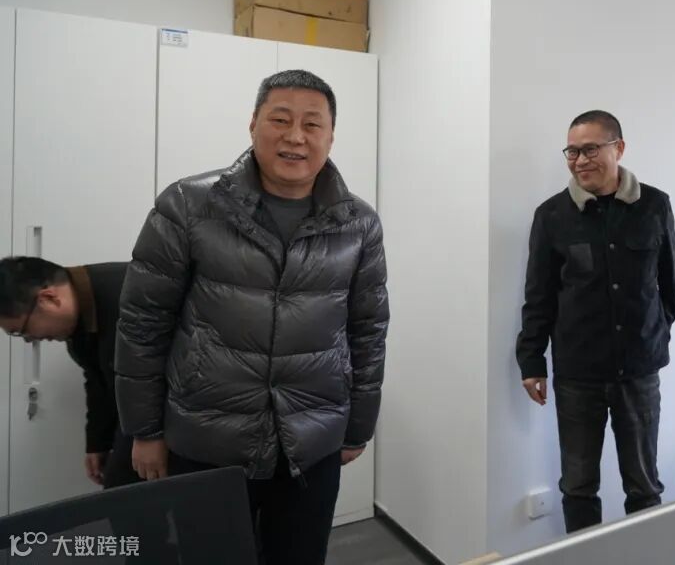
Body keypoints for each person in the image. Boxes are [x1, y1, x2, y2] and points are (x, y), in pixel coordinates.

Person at [115, 69, 389, 565]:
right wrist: (145, 430)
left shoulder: (358, 222)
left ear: (330, 136)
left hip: (311, 441)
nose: (295, 136)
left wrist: (358, 427)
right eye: (280, 119)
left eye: (312, 124)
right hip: (206, 437)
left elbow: (368, 330)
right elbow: (143, 323)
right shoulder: (188, 205)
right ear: (253, 124)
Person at [516, 110, 675, 533]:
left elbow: (668, 287)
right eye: (572, 152)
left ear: (618, 148)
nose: (580, 160)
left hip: (639, 372)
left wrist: (653, 336)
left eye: (590, 149)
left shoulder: (655, 205)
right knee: (578, 486)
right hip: (578, 374)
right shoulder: (552, 215)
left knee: (644, 486)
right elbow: (539, 295)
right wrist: (532, 361)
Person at [0, 257, 138, 488]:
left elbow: (156, 380)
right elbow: (99, 382)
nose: (30, 339)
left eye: (23, 331)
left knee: (125, 490)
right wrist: (98, 443)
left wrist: (147, 439)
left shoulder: (131, 294)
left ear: (48, 298)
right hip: (147, 421)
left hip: (187, 418)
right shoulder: (80, 321)